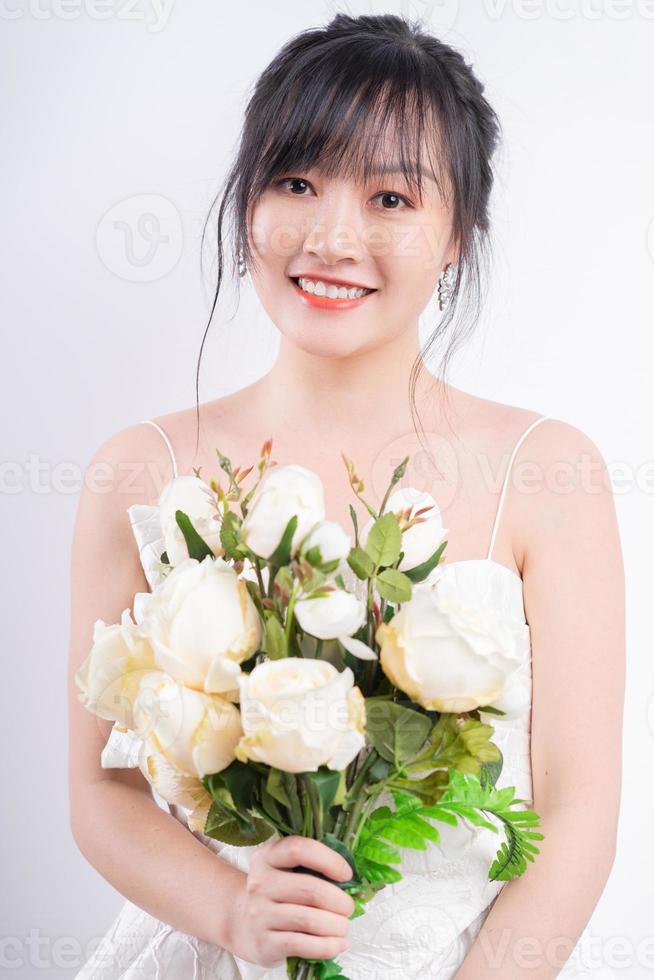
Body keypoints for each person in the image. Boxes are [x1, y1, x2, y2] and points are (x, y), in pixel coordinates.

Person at [68, 13, 625, 979]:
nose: (332, 236)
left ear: (458, 236)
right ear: (248, 199)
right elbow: (96, 790)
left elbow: (577, 818)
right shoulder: (139, 468)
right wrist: (235, 910)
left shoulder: (549, 472)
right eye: (296, 182)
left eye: (391, 198)